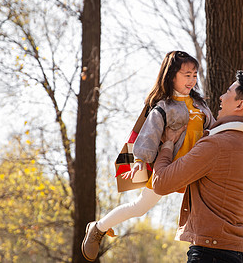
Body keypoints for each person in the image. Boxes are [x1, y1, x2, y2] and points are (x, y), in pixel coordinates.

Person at [81, 51, 215, 262]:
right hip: (168, 168)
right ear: (171, 76)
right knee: (140, 207)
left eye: (195, 75)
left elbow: (213, 129)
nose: (192, 80)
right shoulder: (163, 107)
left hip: (195, 168)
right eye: (186, 74)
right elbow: (149, 134)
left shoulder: (200, 105)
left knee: (203, 207)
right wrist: (140, 161)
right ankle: (98, 228)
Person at [152, 71, 243, 263]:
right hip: (236, 254)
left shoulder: (216, 145)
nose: (221, 97)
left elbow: (161, 183)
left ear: (239, 104)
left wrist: (167, 145)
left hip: (208, 254)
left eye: (228, 92)